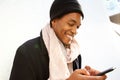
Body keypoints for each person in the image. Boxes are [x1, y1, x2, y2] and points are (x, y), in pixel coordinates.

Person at [9, 0, 107, 80]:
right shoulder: (26, 53)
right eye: (71, 24)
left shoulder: (75, 55)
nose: (75, 31)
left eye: (77, 27)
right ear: (54, 20)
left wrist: (85, 76)